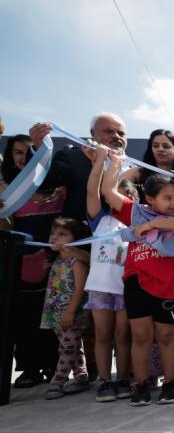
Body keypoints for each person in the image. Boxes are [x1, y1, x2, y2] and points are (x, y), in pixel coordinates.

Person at [103, 149, 174, 406]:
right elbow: (108, 191)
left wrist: (152, 225)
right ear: (149, 198)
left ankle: (170, 383)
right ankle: (142, 383)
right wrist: (115, 164)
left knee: (166, 336)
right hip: (136, 283)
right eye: (167, 198)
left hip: (170, 287)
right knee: (141, 336)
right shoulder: (135, 212)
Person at [3, 135, 61, 388]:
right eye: (18, 152)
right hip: (22, 262)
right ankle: (29, 368)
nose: (24, 157)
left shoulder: (60, 187)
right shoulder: (7, 189)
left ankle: (56, 365)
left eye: (30, 152)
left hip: (58, 262)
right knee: (25, 316)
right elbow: (6, 229)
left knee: (56, 314)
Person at [84, 144, 135, 402]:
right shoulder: (99, 220)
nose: (119, 198)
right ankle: (105, 381)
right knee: (103, 335)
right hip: (101, 288)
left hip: (128, 288)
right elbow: (92, 189)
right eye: (114, 192)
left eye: (126, 193)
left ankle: (123, 378)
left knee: (123, 336)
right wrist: (101, 160)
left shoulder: (139, 222)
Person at [29, 113, 129, 221]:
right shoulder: (73, 157)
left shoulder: (135, 169)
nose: (116, 136)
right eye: (109, 131)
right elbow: (44, 182)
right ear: (93, 133)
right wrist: (40, 150)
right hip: (82, 229)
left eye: (121, 133)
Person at [40, 217, 92, 400]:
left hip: (71, 314)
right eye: (53, 233)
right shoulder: (56, 261)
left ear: (75, 240)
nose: (54, 237)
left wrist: (70, 312)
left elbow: (79, 289)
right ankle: (81, 377)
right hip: (55, 313)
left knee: (67, 348)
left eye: (62, 234)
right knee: (71, 345)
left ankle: (58, 382)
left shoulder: (76, 262)